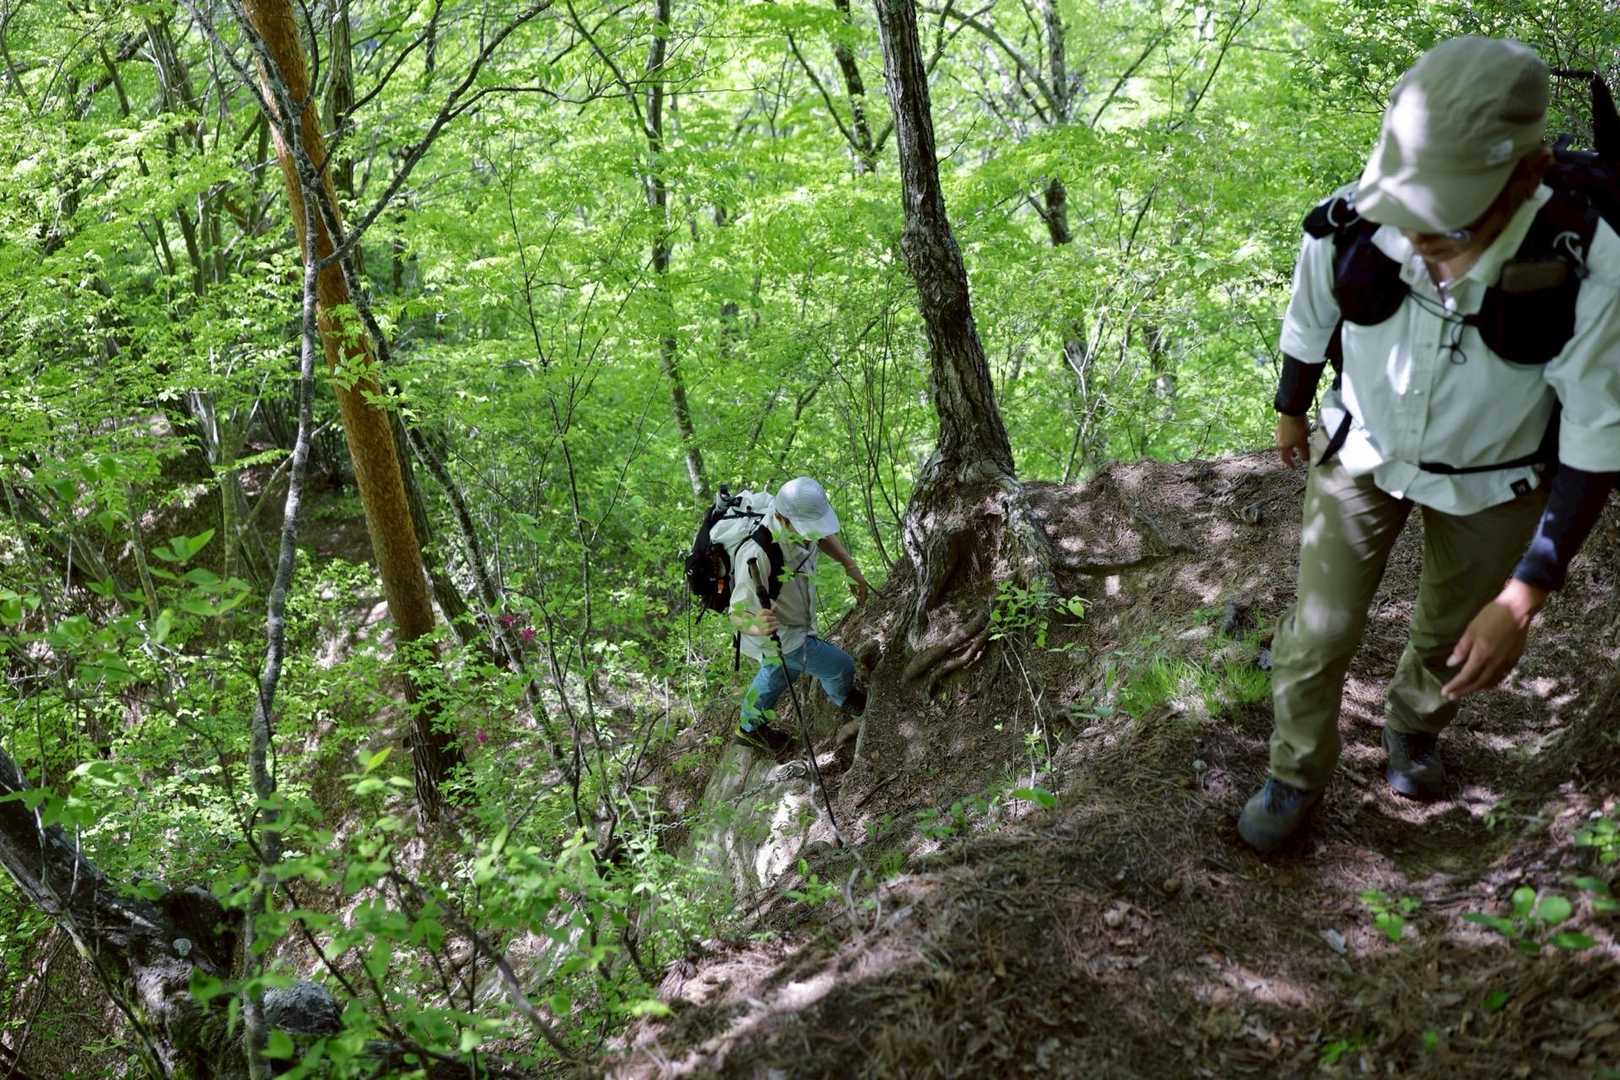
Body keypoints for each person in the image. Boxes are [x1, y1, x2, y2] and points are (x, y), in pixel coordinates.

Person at [1239, 36, 1620, 853]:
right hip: (1363, 454)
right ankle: (1295, 770)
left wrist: (1525, 594)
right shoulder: (1349, 225)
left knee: (1452, 633)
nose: (1413, 238)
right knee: (1318, 631)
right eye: (1404, 209)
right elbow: (1308, 320)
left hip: (1497, 482)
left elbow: (1597, 433)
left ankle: (1413, 727)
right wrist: (1291, 409)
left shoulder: (1589, 262)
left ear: (1527, 175)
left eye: (1445, 219)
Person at [730, 477, 872, 754]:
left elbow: (821, 536)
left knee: (778, 671)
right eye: (805, 529)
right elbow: (736, 614)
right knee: (839, 666)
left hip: (796, 623)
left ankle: (749, 728)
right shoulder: (758, 553)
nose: (811, 535)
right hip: (781, 633)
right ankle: (846, 699)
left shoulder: (798, 520)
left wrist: (849, 565)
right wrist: (757, 625)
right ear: (781, 520)